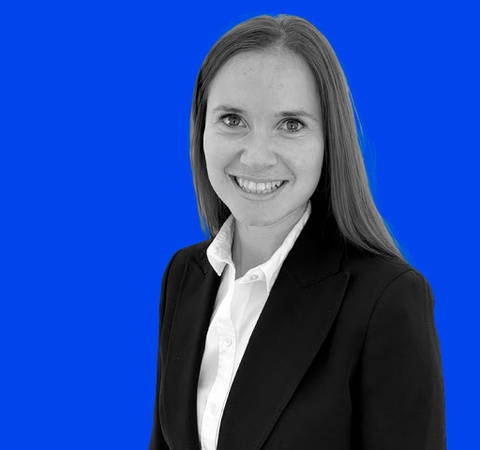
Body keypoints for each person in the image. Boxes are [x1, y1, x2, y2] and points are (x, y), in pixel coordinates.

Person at [149, 14, 446, 450]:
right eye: (232, 119)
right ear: (200, 128)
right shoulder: (184, 275)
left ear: (330, 140)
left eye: (291, 124)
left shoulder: (386, 302)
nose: (256, 157)